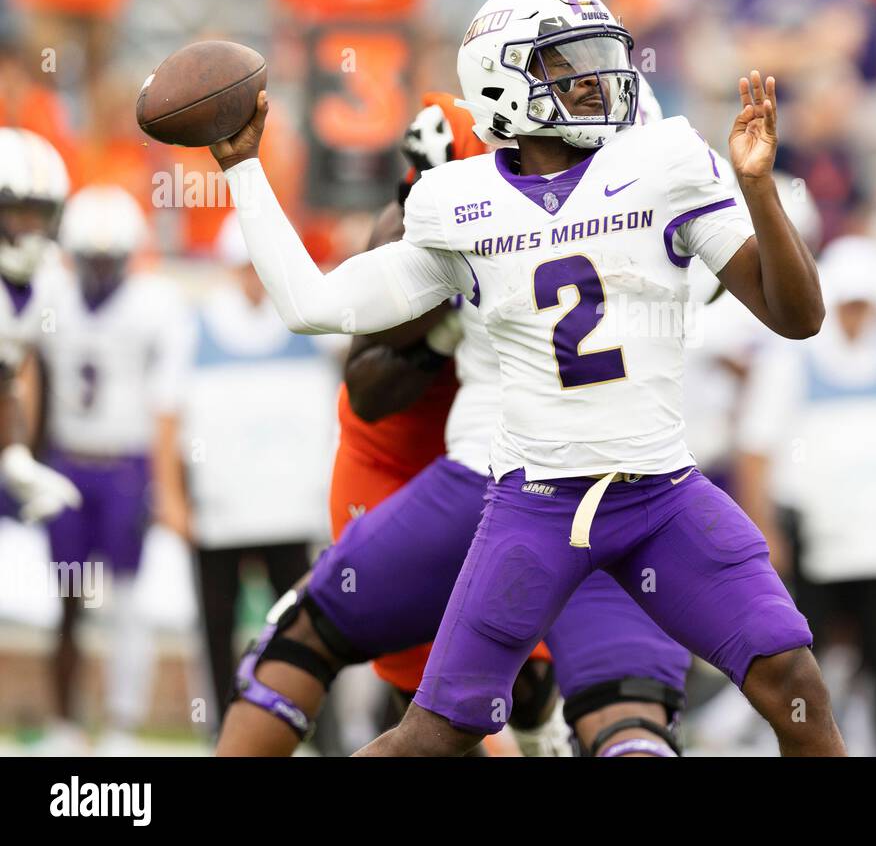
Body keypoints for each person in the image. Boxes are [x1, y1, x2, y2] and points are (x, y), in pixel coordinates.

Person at [211, 0, 843, 756]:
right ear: (503, 82)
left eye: (600, 59)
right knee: (431, 737)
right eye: (568, 65)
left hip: (661, 496)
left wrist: (757, 192)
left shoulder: (666, 158)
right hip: (535, 505)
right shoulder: (456, 198)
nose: (599, 80)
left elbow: (799, 316)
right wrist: (243, 170)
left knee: (795, 683)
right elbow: (314, 304)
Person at [215, 93, 692, 758]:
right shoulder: (459, 197)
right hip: (418, 466)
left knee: (516, 690)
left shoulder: (594, 197)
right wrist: (447, 320)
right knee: (447, 703)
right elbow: (370, 384)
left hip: (519, 472)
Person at [738, 236, 876, 756]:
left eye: (866, 303)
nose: (858, 315)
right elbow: (755, 448)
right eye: (850, 303)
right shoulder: (791, 355)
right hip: (812, 542)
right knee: (798, 670)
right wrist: (765, 532)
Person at [37, 184, 189, 753]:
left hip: (125, 465)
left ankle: (123, 724)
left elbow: (169, 401)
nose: (99, 268)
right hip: (67, 462)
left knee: (125, 599)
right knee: (68, 599)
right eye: (90, 257)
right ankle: (64, 724)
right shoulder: (50, 292)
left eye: (109, 257)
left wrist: (166, 481)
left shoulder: (156, 303)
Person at [179, 213, 342, 732]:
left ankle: (320, 729)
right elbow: (166, 416)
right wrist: (173, 499)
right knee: (216, 628)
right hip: (220, 510)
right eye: (244, 267)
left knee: (304, 628)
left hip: (289, 509)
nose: (254, 277)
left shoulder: (309, 319)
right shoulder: (196, 325)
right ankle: (224, 729)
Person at [0, 127, 84, 752]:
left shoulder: (43, 282)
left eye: (40, 213)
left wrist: (15, 454)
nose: (29, 227)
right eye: (16, 211)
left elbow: (6, 378)